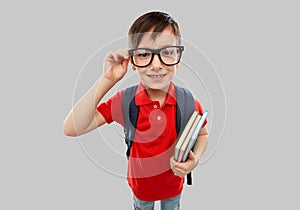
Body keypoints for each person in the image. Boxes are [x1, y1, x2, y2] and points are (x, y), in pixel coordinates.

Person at [64, 11, 209, 210]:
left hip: (174, 187)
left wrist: (195, 160)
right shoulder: (126, 101)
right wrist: (108, 79)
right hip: (141, 189)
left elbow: (203, 133)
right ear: (132, 61)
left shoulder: (187, 101)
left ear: (179, 57)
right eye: (144, 54)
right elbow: (72, 128)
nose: (156, 65)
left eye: (167, 52)